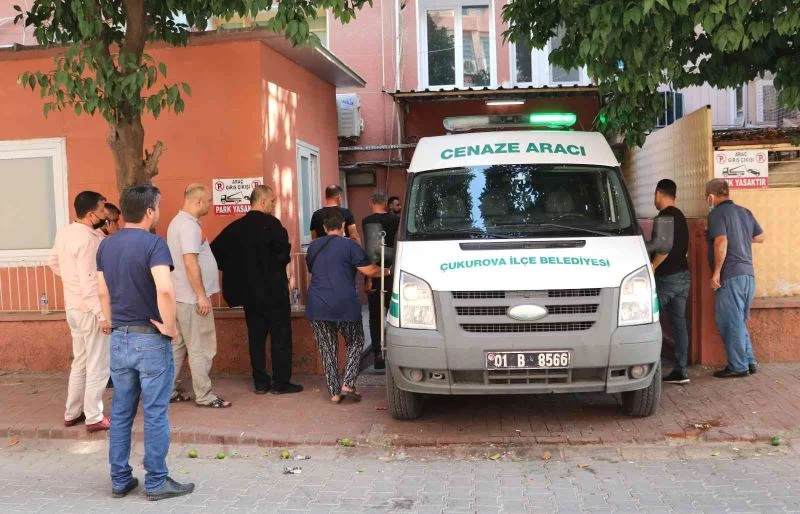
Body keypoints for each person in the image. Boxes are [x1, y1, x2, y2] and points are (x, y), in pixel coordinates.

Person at [97, 185, 194, 500]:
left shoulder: (106, 245)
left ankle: (120, 478)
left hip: (119, 337)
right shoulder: (154, 244)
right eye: (158, 208)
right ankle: (156, 481)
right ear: (149, 211)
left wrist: (110, 321)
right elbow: (164, 289)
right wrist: (170, 327)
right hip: (150, 337)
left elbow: (102, 291)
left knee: (121, 411)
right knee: (154, 411)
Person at [211, 185, 302, 395]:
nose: (274, 204)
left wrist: (235, 269)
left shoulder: (235, 228)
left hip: (249, 295)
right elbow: (283, 255)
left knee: (256, 338)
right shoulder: (273, 225)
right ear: (262, 202)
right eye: (272, 201)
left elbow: (214, 252)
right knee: (280, 336)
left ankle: (260, 383)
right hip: (274, 292)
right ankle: (280, 383)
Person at [306, 208, 390, 403]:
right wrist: (388, 271)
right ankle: (348, 384)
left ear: (324, 227)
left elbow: (312, 269)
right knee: (356, 340)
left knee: (327, 349)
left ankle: (334, 393)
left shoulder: (313, 246)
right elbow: (369, 270)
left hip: (317, 304)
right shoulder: (349, 245)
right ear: (343, 225)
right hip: (343, 303)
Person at [49, 191, 111, 432]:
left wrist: (71, 280)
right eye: (102, 209)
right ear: (90, 214)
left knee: (81, 362)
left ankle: (72, 412)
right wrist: (102, 315)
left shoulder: (65, 232)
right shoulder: (87, 240)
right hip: (90, 309)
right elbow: (90, 281)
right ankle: (94, 416)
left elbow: (53, 262)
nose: (105, 214)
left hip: (74, 307)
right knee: (98, 365)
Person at [167, 184, 231, 408]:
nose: (211, 204)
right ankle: (204, 395)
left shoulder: (180, 223)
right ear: (198, 202)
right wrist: (201, 296)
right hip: (192, 299)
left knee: (178, 348)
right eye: (209, 201)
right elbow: (190, 262)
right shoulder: (188, 226)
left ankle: (167, 391)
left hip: (181, 297)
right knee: (200, 348)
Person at [705, 179, 766, 378]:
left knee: (730, 322)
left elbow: (721, 241)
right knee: (738, 320)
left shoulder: (717, 214)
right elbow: (761, 237)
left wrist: (716, 273)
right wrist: (741, 236)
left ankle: (738, 366)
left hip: (730, 276)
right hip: (748, 275)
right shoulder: (745, 212)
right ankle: (749, 361)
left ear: (711, 197)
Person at [651, 179, 692, 385]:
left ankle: (651, 369)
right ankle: (681, 370)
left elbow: (663, 249)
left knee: (649, 320)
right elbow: (685, 248)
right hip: (684, 275)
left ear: (658, 193)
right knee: (679, 324)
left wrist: (652, 266)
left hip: (666, 278)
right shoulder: (681, 216)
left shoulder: (663, 218)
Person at [361, 190, 400, 370]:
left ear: (371, 203)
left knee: (376, 315)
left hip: (377, 273)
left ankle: (378, 353)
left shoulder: (368, 221)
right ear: (386, 203)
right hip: (396, 271)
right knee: (396, 313)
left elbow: (371, 252)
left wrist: (368, 278)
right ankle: (396, 351)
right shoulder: (397, 220)